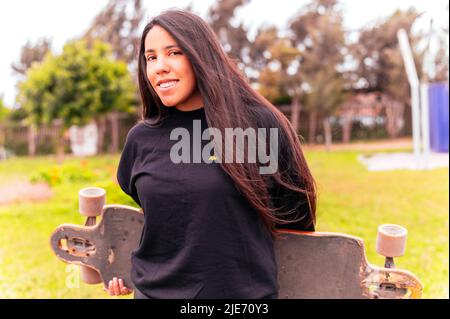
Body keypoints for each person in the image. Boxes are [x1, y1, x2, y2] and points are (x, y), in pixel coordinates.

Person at [108, 9, 317, 299]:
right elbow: (154, 222)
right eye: (151, 57)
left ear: (200, 55)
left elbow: (297, 227)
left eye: (174, 53)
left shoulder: (259, 127)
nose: (159, 67)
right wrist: (118, 269)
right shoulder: (141, 139)